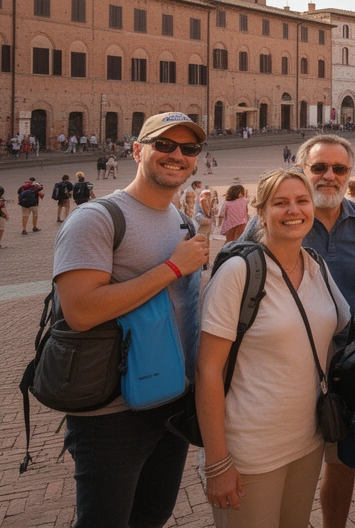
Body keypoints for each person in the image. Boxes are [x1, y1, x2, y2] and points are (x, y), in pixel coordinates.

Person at [53, 112, 212, 528]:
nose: (177, 155)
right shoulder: (96, 218)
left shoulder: (184, 221)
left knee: (152, 516)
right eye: (164, 145)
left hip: (172, 401)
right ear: (137, 150)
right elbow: (81, 312)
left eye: (188, 149)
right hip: (112, 413)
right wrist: (173, 269)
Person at [197, 168, 350, 527]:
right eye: (280, 203)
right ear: (261, 212)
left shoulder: (317, 266)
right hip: (250, 449)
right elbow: (208, 370)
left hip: (307, 441)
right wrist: (218, 462)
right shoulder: (239, 272)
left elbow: (344, 328)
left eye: (301, 201)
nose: (293, 210)